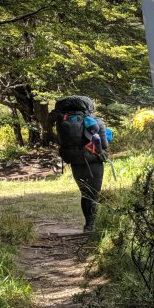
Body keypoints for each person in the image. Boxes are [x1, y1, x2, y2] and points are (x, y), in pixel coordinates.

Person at [49, 95, 109, 233]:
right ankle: (91, 225)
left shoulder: (62, 121)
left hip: (75, 161)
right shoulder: (96, 122)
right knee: (93, 194)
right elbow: (104, 145)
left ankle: (88, 225)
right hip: (94, 163)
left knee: (85, 193)